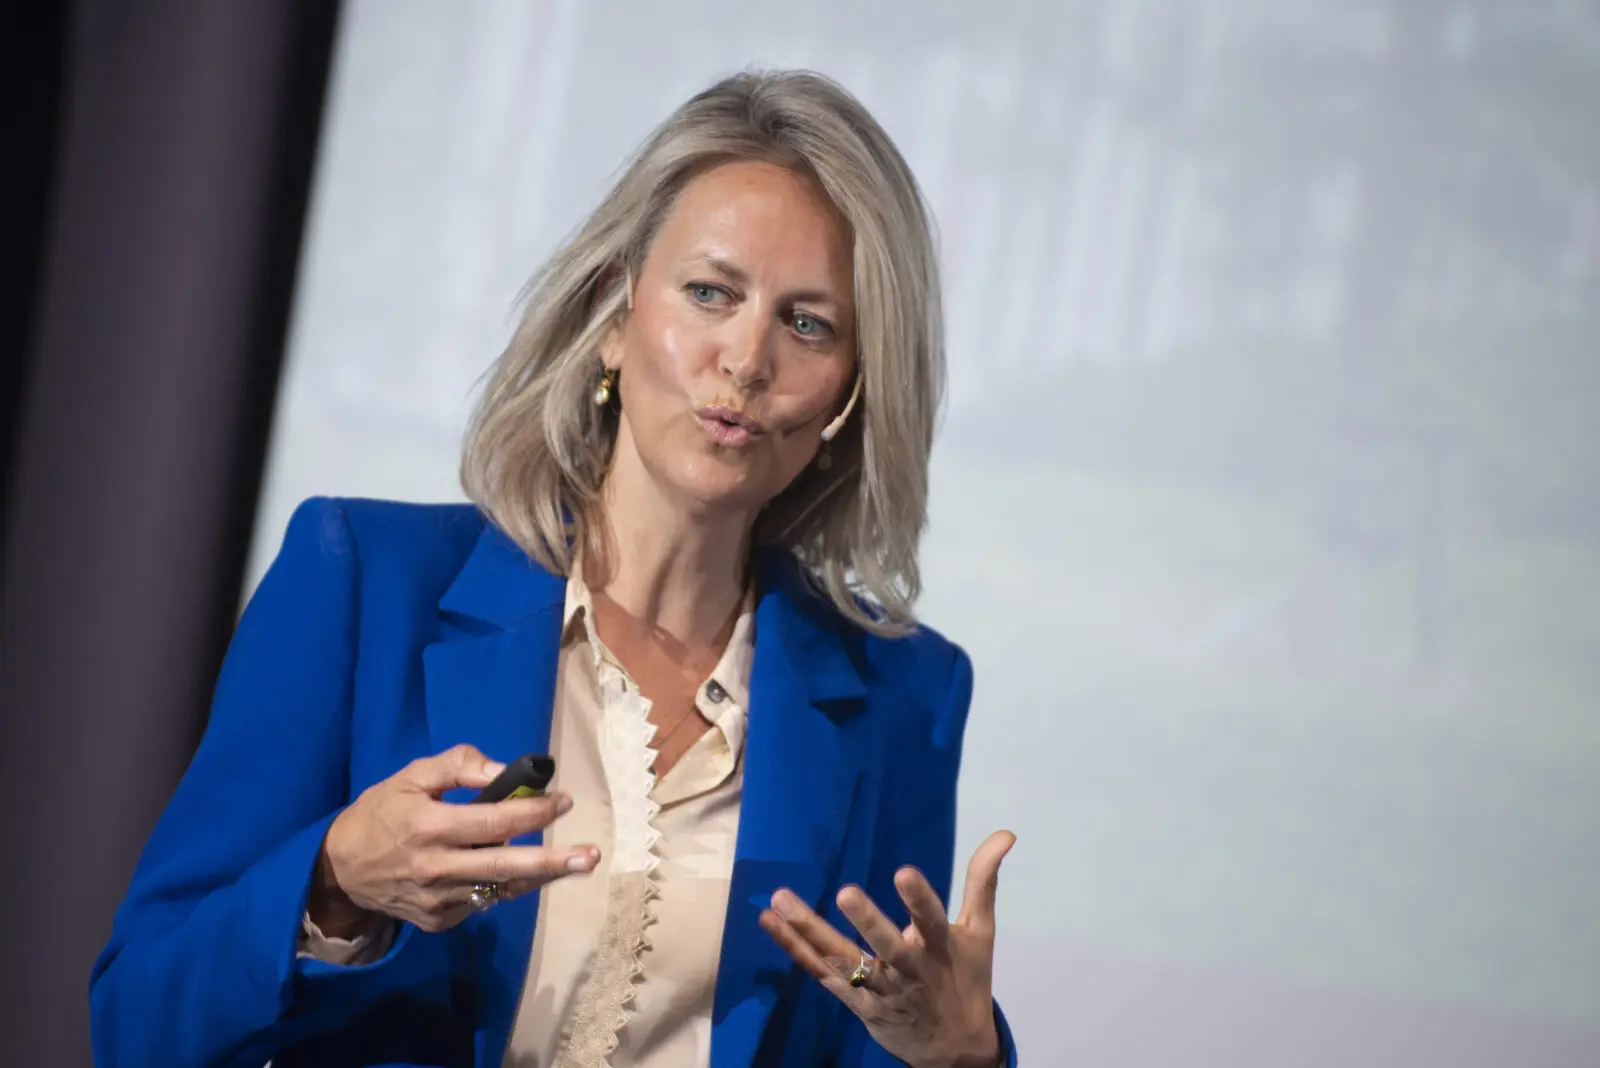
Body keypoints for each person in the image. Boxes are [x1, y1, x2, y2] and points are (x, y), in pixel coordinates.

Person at [90, 69, 1019, 1068]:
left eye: (808, 325)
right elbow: (136, 1023)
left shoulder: (903, 699)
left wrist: (960, 1055)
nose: (748, 360)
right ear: (615, 318)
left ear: (849, 394)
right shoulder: (364, 584)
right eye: (710, 293)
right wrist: (332, 885)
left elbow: (876, 1020)